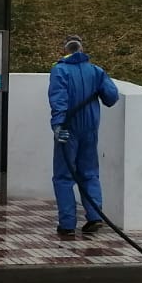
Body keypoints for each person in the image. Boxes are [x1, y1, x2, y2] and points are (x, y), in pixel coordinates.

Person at [48, 34, 120, 240]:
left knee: (63, 176)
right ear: (82, 48)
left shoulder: (60, 70)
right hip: (90, 130)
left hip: (68, 128)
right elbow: (111, 97)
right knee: (89, 173)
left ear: (65, 49)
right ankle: (95, 216)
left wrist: (57, 125)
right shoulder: (96, 71)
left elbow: (58, 99)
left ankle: (67, 224)